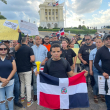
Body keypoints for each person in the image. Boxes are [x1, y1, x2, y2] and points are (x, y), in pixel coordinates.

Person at [35, 43, 88, 110]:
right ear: (51, 53)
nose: (56, 53)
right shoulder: (48, 63)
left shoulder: (65, 62)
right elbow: (45, 76)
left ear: (61, 52)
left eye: (58, 51)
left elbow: (71, 74)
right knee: (55, 106)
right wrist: (39, 74)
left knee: (66, 106)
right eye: (54, 52)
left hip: (64, 88)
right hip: (54, 88)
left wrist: (81, 74)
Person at [15, 37, 35, 107]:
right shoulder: (29, 48)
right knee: (28, 84)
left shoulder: (17, 49)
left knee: (22, 83)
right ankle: (29, 101)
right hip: (27, 68)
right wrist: (27, 61)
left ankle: (22, 98)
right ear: (26, 41)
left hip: (19, 69)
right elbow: (32, 59)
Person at [94, 34, 110, 110]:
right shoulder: (100, 50)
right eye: (107, 39)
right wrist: (103, 72)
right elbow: (95, 63)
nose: (108, 40)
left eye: (109, 39)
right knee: (108, 94)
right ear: (104, 41)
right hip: (107, 75)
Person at [0, 43, 16, 110]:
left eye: (5, 49)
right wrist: (1, 79)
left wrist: (7, 80)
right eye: (1, 49)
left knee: (10, 98)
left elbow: (14, 69)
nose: (3, 50)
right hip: (0, 83)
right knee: (1, 100)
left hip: (10, 82)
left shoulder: (11, 57)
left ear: (7, 49)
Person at [31, 35, 48, 101]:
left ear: (41, 40)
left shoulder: (44, 48)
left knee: (42, 80)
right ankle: (35, 94)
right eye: (37, 39)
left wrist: (44, 60)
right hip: (35, 67)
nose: (38, 40)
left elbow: (47, 57)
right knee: (35, 81)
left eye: (39, 39)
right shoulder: (32, 48)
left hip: (42, 67)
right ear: (35, 40)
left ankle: (43, 94)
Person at [89, 39, 105, 103]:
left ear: (102, 43)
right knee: (97, 83)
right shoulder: (92, 51)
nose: (98, 43)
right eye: (97, 42)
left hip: (104, 69)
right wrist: (90, 70)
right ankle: (95, 95)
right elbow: (91, 61)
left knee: (103, 82)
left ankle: (102, 95)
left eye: (99, 42)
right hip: (95, 69)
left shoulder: (106, 50)